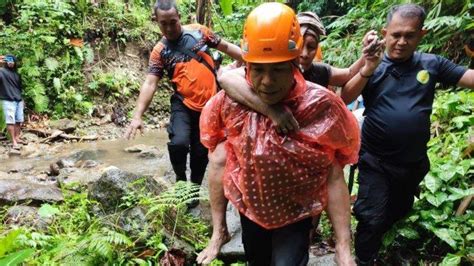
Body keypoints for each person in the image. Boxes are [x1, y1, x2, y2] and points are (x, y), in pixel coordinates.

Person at [198, 3, 360, 265]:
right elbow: (217, 158)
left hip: (296, 214)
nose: (267, 81)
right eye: (258, 70)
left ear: (295, 63)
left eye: (278, 70)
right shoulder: (230, 102)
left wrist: (343, 246)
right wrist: (218, 230)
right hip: (250, 212)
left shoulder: (321, 106)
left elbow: (333, 175)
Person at [339, 4, 474, 265]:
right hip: (375, 159)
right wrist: (367, 67)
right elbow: (345, 97)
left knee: (401, 209)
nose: (401, 41)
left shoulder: (431, 64)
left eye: (409, 36)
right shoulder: (373, 64)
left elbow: (467, 77)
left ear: (421, 35)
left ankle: (378, 237)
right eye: (396, 34)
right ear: (385, 32)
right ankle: (365, 258)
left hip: (412, 162)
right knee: (371, 215)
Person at [124, 0, 242, 199]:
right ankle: (180, 181)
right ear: (156, 22)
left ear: (180, 18)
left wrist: (253, 60)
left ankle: (193, 190)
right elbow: (150, 83)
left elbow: (227, 47)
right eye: (164, 23)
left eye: (173, 22)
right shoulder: (160, 52)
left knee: (200, 151)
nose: (169, 28)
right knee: (178, 143)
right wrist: (137, 116)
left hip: (210, 106)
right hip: (183, 104)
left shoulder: (200, 33)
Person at [0, 54, 24, 149]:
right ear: (6, 62)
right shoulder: (1, 72)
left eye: (12, 61)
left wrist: (22, 99)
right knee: (10, 121)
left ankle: (17, 138)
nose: (10, 62)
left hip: (18, 100)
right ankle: (13, 141)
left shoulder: (16, 74)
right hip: (8, 100)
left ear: (15, 62)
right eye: (8, 60)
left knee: (19, 120)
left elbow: (19, 88)